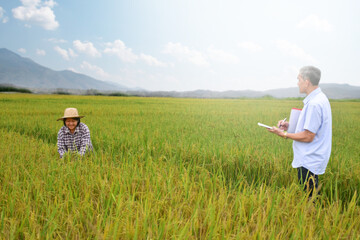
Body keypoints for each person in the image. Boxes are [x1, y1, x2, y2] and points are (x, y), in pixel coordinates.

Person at [268, 66, 332, 197]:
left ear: (306, 81)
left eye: (299, 79)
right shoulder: (319, 98)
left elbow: (308, 136)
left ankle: (313, 216)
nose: (297, 83)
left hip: (309, 159)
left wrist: (283, 134)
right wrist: (289, 126)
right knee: (311, 196)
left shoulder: (314, 104)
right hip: (311, 157)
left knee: (310, 199)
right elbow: (311, 127)